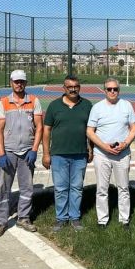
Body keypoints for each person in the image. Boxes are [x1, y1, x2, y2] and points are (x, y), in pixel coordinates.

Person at [0, 69, 43, 237]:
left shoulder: (34, 101)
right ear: (11, 82)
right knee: (3, 187)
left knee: (27, 187)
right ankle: (1, 221)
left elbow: (39, 127)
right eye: (16, 81)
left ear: (26, 83)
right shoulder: (4, 102)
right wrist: (1, 153)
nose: (19, 84)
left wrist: (34, 149)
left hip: (27, 151)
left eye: (22, 81)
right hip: (9, 151)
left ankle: (24, 217)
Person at [42, 75, 93, 232]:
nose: (73, 89)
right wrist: (46, 153)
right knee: (61, 188)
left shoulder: (87, 105)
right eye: (69, 86)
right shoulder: (54, 106)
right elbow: (46, 130)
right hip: (59, 154)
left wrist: (90, 148)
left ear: (79, 87)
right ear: (64, 88)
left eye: (76, 86)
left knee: (77, 187)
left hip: (80, 154)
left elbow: (90, 130)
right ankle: (61, 218)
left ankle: (75, 217)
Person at [86, 78, 135, 229]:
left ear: (119, 90)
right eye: (109, 89)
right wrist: (104, 146)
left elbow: (133, 128)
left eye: (115, 89)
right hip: (102, 155)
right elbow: (90, 131)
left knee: (123, 188)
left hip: (122, 154)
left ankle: (124, 220)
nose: (112, 91)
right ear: (104, 90)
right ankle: (102, 220)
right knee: (102, 189)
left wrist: (125, 143)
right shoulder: (97, 108)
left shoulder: (126, 105)